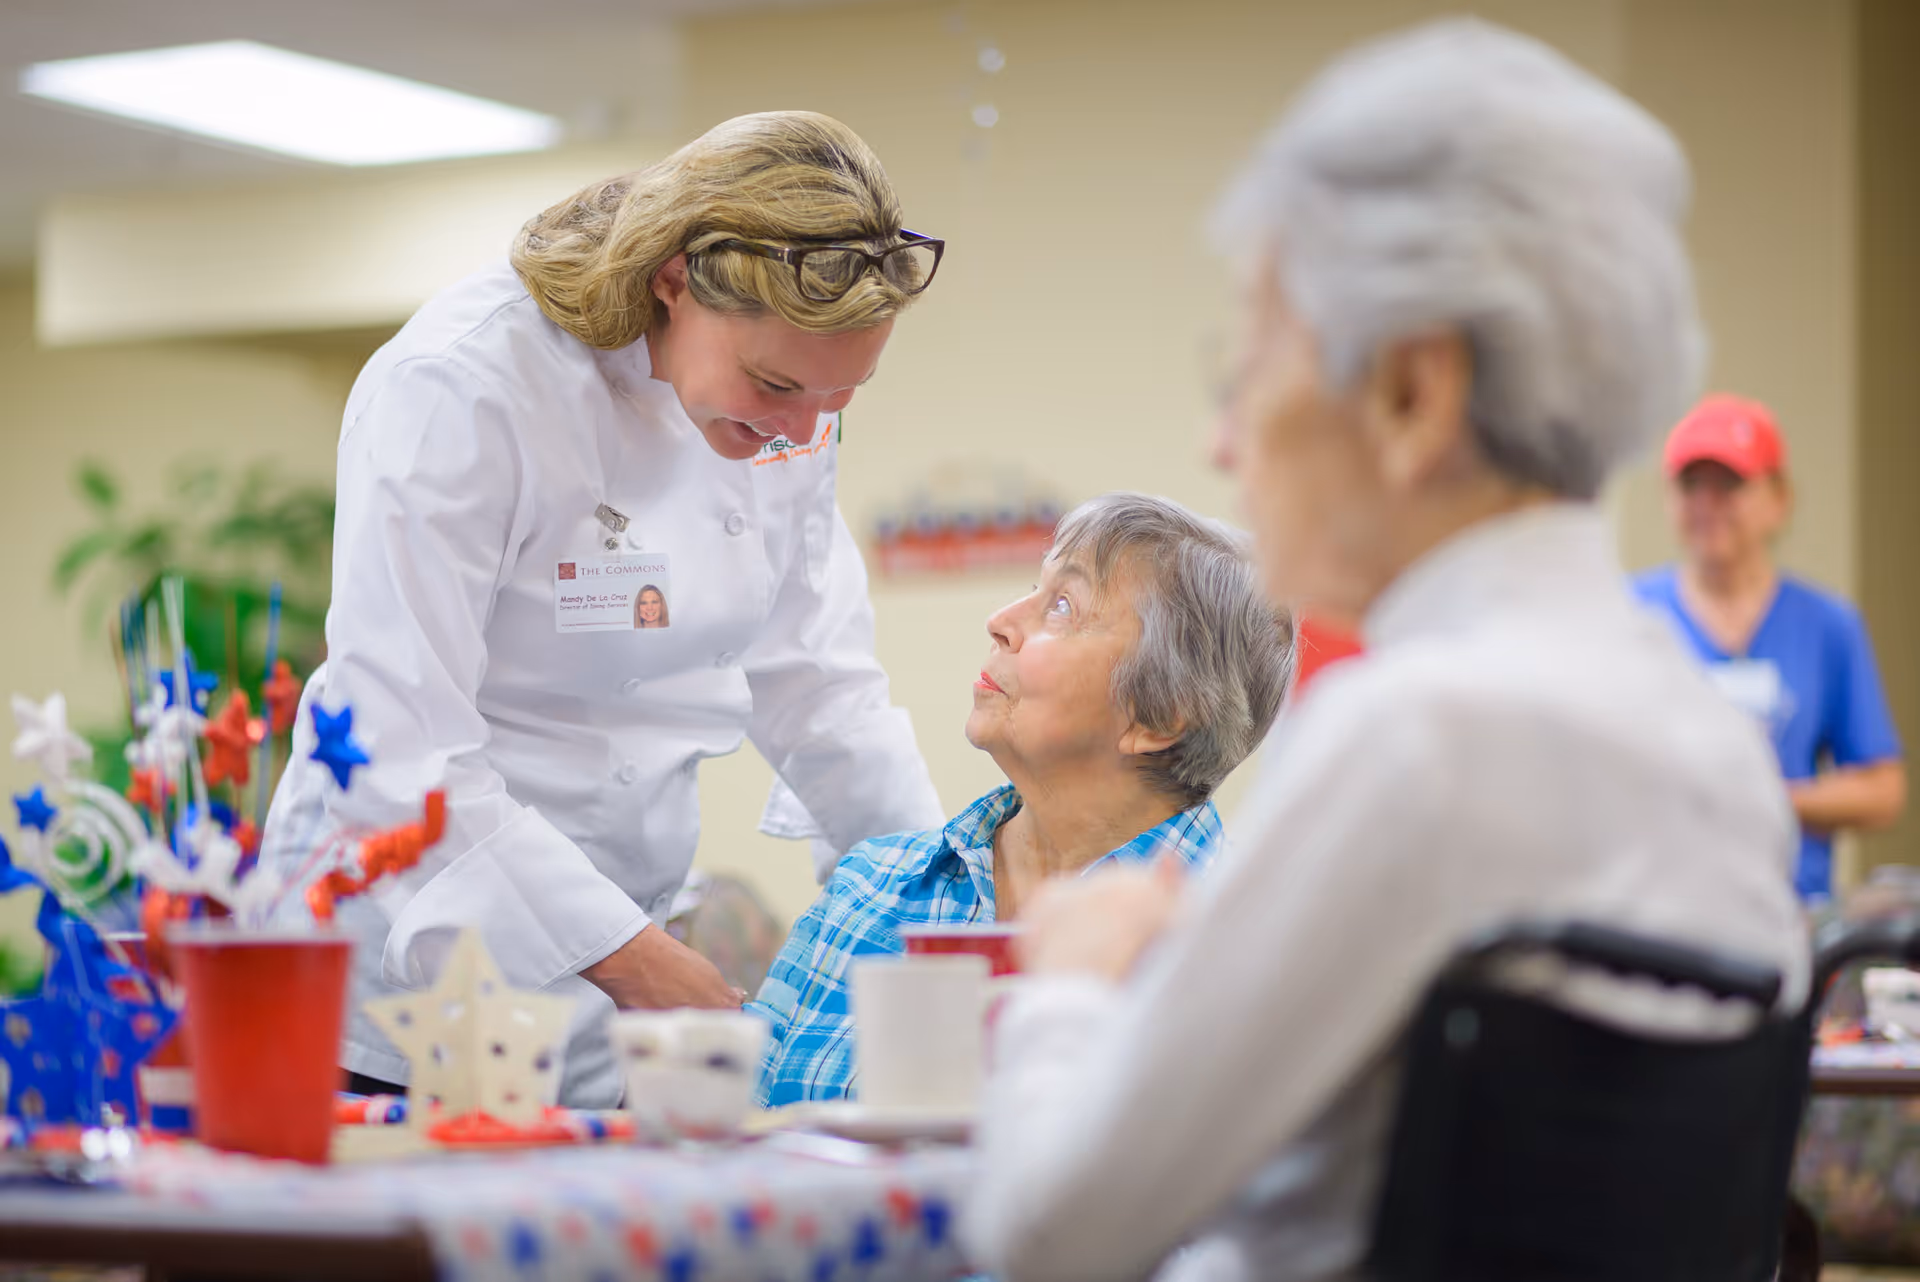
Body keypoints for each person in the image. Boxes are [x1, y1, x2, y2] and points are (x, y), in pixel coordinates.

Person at [963, 21, 1808, 1282]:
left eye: (1246, 368)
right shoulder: (1720, 758)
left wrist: (1074, 980)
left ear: (1414, 394)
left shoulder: (1413, 737)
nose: (1220, 441)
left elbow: (1050, 1237)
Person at [259, 112, 949, 1107]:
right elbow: (398, 745)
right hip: (388, 980)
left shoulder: (788, 424)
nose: (799, 431)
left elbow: (822, 692)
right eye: (774, 384)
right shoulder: (462, 387)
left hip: (604, 976)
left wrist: (941, 910)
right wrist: (628, 955)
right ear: (673, 278)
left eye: (838, 400)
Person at [750, 492, 1291, 1107]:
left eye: (1062, 606)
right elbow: (724, 1127)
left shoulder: (1240, 937)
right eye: (1034, 588)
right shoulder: (867, 886)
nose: (1001, 620)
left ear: (1160, 714)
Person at [1633, 394, 1906, 902]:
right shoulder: (1629, 616)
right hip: (1660, 909)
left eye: (1729, 486)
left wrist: (1773, 799)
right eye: (1692, 486)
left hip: (1789, 911)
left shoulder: (1828, 624)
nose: (1707, 505)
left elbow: (1882, 790)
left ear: (1779, 499)